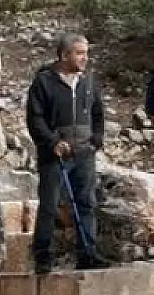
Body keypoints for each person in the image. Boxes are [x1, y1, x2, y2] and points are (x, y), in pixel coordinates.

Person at [24, 33, 110, 274]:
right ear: (64, 55)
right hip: (55, 155)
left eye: (86, 53)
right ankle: (43, 256)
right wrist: (52, 142)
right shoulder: (43, 82)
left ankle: (88, 253)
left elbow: (98, 113)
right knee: (50, 204)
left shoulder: (89, 81)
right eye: (80, 53)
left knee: (87, 203)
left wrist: (97, 140)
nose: (85, 58)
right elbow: (35, 118)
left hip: (84, 152)